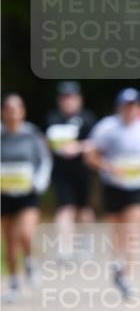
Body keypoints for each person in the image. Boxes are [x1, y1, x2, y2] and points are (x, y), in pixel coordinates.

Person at [86, 89, 140, 300]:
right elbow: (92, 155)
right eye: (126, 106)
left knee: (133, 231)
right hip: (113, 185)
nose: (130, 110)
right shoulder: (106, 128)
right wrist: (108, 167)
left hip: (138, 185)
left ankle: (128, 277)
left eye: (134, 106)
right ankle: (117, 262)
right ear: (119, 108)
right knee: (118, 230)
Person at [1, 94, 52, 301]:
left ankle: (30, 261)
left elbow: (44, 160)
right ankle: (14, 282)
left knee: (26, 233)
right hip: (4, 194)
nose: (13, 112)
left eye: (17, 108)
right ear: (3, 112)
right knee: (9, 241)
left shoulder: (32, 135)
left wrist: (38, 182)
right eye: (8, 108)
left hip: (28, 193)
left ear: (23, 111)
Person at [43, 80, 97, 257]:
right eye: (65, 98)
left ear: (79, 99)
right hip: (61, 171)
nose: (68, 101)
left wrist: (78, 147)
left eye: (71, 97)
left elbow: (96, 142)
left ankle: (84, 243)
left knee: (84, 209)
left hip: (83, 170)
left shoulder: (87, 119)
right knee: (65, 208)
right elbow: (45, 142)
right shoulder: (52, 118)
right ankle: (65, 247)